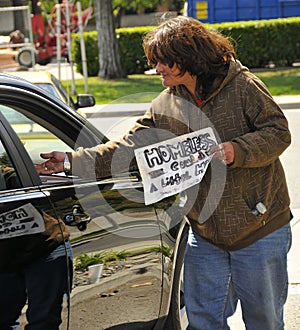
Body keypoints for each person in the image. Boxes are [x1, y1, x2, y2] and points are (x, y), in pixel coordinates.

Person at [36, 16, 292, 329]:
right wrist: (70, 162)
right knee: (203, 321)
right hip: (206, 233)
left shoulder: (243, 86)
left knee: (263, 321)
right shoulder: (166, 105)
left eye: (163, 63)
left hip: (260, 229)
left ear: (189, 59)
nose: (157, 69)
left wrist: (236, 150)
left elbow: (278, 132)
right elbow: (128, 148)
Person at [0, 164, 73, 329]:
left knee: (43, 321)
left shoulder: (6, 176)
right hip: (5, 258)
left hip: (44, 248)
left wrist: (28, 174)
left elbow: (12, 176)